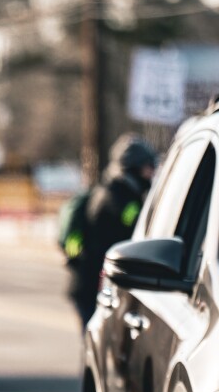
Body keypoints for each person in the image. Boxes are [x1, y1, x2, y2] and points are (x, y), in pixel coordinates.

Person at [64, 136, 157, 326]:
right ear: (134, 168)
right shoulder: (119, 199)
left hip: (92, 286)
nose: (152, 173)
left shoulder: (111, 190)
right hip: (94, 288)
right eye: (148, 167)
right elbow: (137, 232)